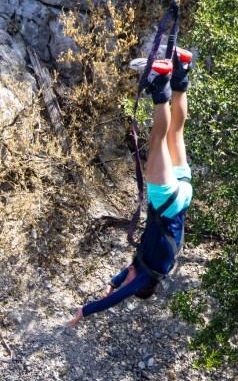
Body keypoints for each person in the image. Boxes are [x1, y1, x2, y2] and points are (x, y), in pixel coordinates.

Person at [67, 49, 193, 327]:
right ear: (141, 287)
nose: (126, 277)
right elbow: (119, 296)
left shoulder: (147, 266)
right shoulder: (147, 279)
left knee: (176, 134)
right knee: (157, 140)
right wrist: (85, 311)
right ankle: (161, 82)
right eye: (128, 281)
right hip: (167, 200)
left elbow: (125, 275)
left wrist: (112, 283)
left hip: (184, 194)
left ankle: (182, 70)